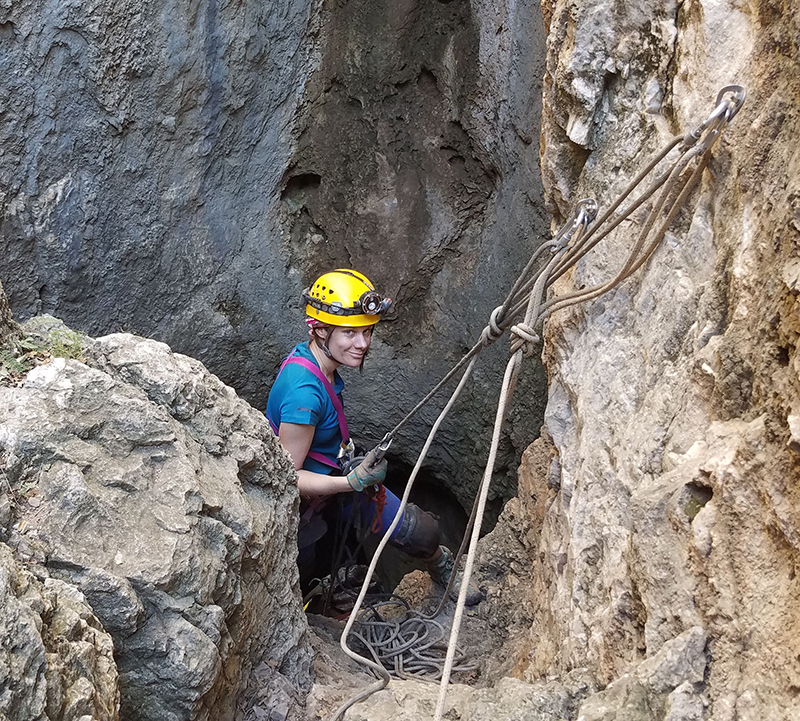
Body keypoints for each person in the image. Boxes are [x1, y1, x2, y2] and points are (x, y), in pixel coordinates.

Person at [266, 268, 481, 605]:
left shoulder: (316, 362)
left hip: (336, 479)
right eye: (351, 333)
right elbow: (287, 477)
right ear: (320, 329)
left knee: (420, 531)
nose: (363, 344)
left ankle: (439, 564)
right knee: (300, 568)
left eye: (367, 332)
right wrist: (350, 483)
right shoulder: (303, 392)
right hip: (311, 500)